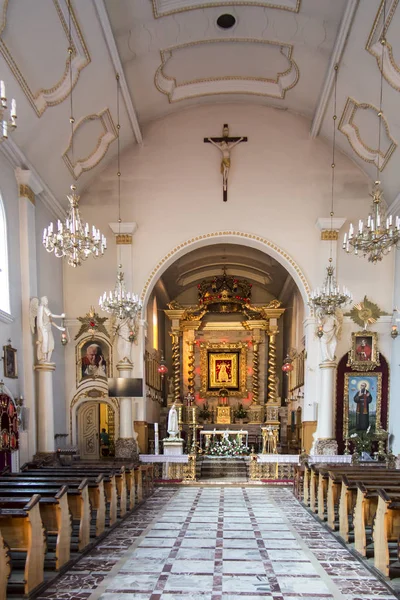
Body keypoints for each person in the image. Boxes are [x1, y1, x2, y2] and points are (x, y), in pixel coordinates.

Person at [31, 296, 66, 363]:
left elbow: (50, 321)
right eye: (46, 299)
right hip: (44, 328)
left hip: (48, 328)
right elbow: (52, 315)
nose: (47, 301)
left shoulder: (46, 309)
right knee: (45, 342)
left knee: (51, 343)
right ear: (43, 301)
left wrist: (59, 327)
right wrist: (61, 316)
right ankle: (44, 358)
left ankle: (48, 360)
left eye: (47, 299)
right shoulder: (42, 308)